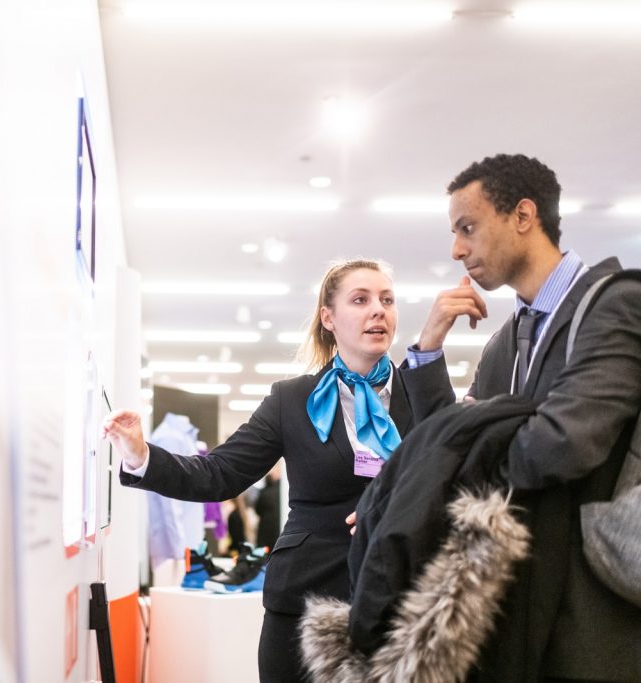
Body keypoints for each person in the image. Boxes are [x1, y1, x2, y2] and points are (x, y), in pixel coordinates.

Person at [103, 259, 453, 682]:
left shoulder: (423, 393)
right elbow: (220, 473)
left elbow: (451, 478)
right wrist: (141, 453)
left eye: (387, 300)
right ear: (328, 317)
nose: (378, 310)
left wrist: (395, 508)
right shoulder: (292, 400)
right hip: (305, 600)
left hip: (400, 599)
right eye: (360, 300)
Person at [407, 153, 641, 680]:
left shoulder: (613, 306)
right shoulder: (503, 347)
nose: (456, 249)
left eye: (468, 227)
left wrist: (466, 458)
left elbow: (560, 445)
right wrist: (426, 352)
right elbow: (450, 442)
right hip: (521, 615)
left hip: (594, 622)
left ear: (523, 215)